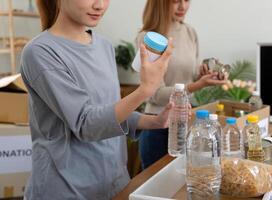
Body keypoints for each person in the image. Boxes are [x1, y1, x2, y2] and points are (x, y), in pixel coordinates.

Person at [20, 0, 174, 199]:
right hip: (68, 190)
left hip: (114, 184)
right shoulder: (40, 52)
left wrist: (154, 121)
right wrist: (145, 90)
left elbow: (109, 112)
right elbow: (86, 124)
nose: (100, 5)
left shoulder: (104, 46)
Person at [136, 0, 226, 169]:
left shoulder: (190, 32)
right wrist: (197, 85)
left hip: (185, 122)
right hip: (157, 123)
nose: (182, 7)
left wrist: (203, 74)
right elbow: (155, 94)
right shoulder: (149, 37)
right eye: (176, 1)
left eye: (186, 0)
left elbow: (189, 77)